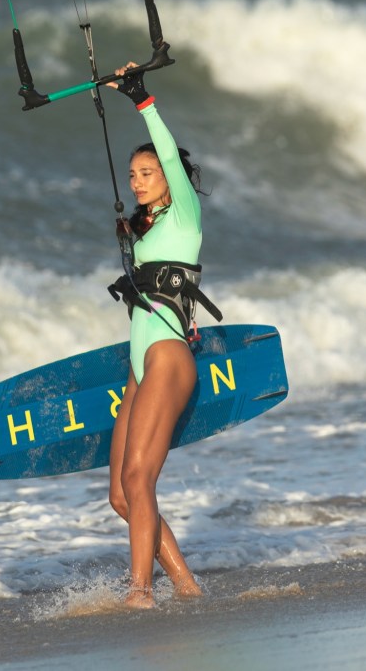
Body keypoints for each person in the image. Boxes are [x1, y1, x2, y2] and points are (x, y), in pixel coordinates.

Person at [106, 61, 219, 608]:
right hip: (140, 363)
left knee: (139, 477)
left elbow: (170, 156)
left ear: (168, 179)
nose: (137, 181)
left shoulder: (185, 218)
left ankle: (140, 591)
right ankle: (187, 587)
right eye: (133, 175)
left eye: (146, 173)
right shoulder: (150, 231)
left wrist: (142, 100)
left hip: (169, 357)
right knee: (121, 494)